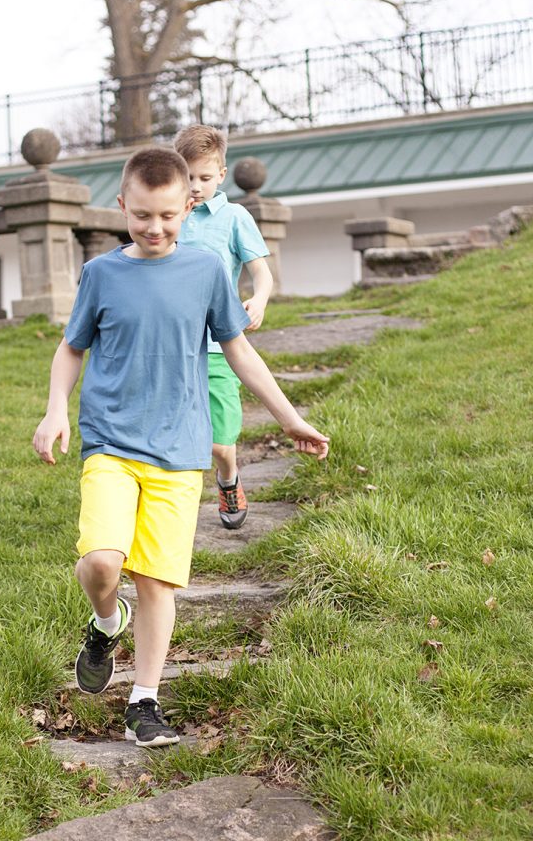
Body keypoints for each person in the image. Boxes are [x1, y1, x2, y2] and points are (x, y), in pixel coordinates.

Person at [32, 147, 328, 748]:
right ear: (122, 206)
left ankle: (144, 701)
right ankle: (106, 621)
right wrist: (55, 408)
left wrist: (291, 418)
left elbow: (239, 350)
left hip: (179, 452)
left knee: (156, 583)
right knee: (101, 563)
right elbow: (71, 347)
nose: (155, 227)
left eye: (167, 215)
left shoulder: (205, 271)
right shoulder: (101, 274)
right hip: (111, 443)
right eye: (142, 215)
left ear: (188, 207)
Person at [174, 124, 273, 530]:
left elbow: (261, 272)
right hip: (174, 346)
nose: (195, 187)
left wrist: (259, 299)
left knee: (220, 441)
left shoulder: (234, 217)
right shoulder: (169, 217)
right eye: (188, 177)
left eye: (204, 177)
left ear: (221, 174)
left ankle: (228, 476)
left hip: (219, 346)